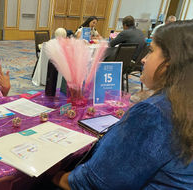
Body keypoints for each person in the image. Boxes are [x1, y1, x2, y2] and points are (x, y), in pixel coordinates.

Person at [54, 20, 193, 189]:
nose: (143, 59)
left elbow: (97, 182)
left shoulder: (154, 113)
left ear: (169, 62)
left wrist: (56, 178)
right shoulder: (182, 104)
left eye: (151, 51)